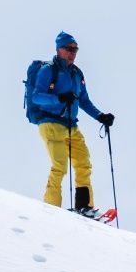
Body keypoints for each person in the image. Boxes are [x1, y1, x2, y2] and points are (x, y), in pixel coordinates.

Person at [25, 31, 114, 213]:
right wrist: (59, 98)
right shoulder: (48, 70)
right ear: (59, 50)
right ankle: (51, 208)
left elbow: (84, 101)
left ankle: (84, 206)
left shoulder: (77, 74)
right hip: (50, 123)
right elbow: (36, 97)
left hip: (71, 126)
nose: (73, 52)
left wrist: (100, 116)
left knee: (83, 163)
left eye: (75, 49)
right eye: (69, 49)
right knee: (60, 165)